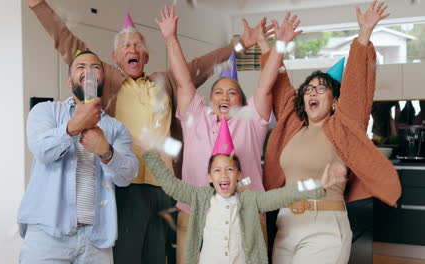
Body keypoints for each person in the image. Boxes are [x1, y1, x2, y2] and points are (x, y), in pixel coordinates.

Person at [27, 1, 272, 262]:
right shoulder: (109, 78)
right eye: (125, 45)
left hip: (165, 188)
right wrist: (38, 6)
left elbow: (205, 64)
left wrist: (242, 44)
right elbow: (69, 44)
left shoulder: (164, 81)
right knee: (128, 256)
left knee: (160, 256)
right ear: (114, 57)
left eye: (138, 45)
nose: (133, 49)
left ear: (145, 55)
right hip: (127, 187)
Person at [259, 1, 401, 263]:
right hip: (286, 226)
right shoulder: (292, 126)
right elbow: (278, 83)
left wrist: (364, 33)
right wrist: (265, 44)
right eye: (309, 88)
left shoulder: (342, 127)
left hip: (324, 228)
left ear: (335, 101)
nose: (313, 91)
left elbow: (357, 88)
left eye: (322, 88)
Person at [155, 5, 279, 262]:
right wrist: (170, 38)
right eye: (218, 92)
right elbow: (182, 81)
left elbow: (266, 86)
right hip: (194, 209)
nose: (224, 95)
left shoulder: (251, 121)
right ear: (210, 100)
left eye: (232, 92)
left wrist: (272, 46)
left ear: (242, 101)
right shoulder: (196, 116)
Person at [141, 115, 348, 264]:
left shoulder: (251, 200)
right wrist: (151, 156)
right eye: (218, 170)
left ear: (239, 175)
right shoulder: (199, 196)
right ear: (209, 177)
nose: (224, 175)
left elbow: (285, 195)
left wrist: (318, 185)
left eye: (230, 169)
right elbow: (171, 185)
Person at [18, 50, 139, 264]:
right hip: (48, 234)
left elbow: (127, 175)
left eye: (96, 67)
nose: (88, 71)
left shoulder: (116, 129)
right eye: (80, 67)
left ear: (103, 79)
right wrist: (74, 126)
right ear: (69, 80)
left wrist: (106, 151)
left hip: (97, 240)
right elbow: (41, 149)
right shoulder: (45, 112)